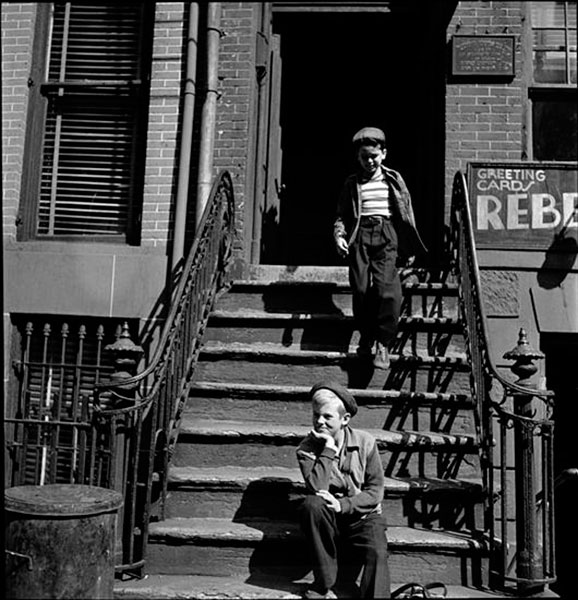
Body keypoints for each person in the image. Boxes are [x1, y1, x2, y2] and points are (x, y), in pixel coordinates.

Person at [334, 127, 427, 369]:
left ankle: (383, 343)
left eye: (374, 156)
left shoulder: (393, 180)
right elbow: (342, 215)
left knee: (389, 292)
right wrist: (339, 235)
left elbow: (406, 215)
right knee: (362, 290)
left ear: (384, 154)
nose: (369, 161)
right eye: (364, 157)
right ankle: (366, 337)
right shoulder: (352, 183)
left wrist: (408, 246)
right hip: (360, 236)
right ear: (358, 157)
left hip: (386, 234)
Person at [296, 380, 390, 599]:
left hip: (363, 516)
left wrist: (344, 504)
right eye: (315, 415)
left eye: (327, 417)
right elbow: (317, 488)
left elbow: (376, 491)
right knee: (311, 505)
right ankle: (325, 584)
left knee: (378, 550)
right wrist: (328, 449)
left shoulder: (366, 442)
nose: (320, 421)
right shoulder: (307, 449)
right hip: (330, 521)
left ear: (345, 419)